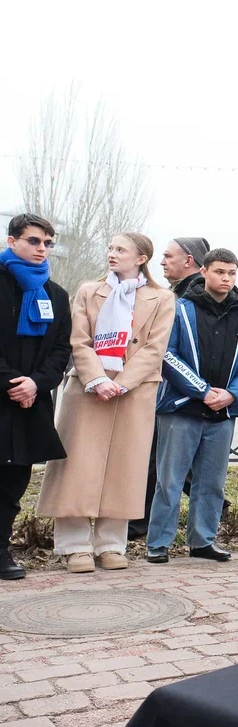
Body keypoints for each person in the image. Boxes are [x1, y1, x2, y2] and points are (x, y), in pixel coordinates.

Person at [36, 233, 175, 572]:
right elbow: (78, 341)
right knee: (77, 466)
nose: (112, 254)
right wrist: (97, 379)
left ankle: (112, 544)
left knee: (123, 468)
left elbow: (155, 349)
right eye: (111, 249)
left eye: (120, 250)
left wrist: (122, 382)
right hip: (87, 389)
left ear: (140, 257)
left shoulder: (161, 297)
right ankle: (74, 546)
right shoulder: (89, 291)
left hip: (134, 392)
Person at [146, 248, 238, 564]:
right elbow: (167, 355)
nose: (226, 278)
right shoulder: (178, 310)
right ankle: (158, 543)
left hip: (222, 412)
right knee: (169, 480)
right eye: (220, 271)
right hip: (181, 408)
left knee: (211, 483)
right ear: (204, 271)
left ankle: (203, 541)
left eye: (231, 273)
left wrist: (232, 394)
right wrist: (203, 390)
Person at [0, 214, 72, 581]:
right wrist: (13, 382)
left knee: (14, 483)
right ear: (12, 241)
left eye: (48, 243)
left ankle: (1, 551)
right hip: (5, 395)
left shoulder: (56, 294)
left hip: (31, 403)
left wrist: (36, 384)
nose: (42, 249)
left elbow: (61, 350)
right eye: (33, 241)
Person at [129, 235, 211, 541]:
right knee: (167, 458)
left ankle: (141, 523)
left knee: (158, 456)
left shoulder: (190, 297)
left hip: (178, 389)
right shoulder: (177, 293)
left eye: (167, 256)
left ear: (188, 260)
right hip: (177, 387)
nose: (161, 261)